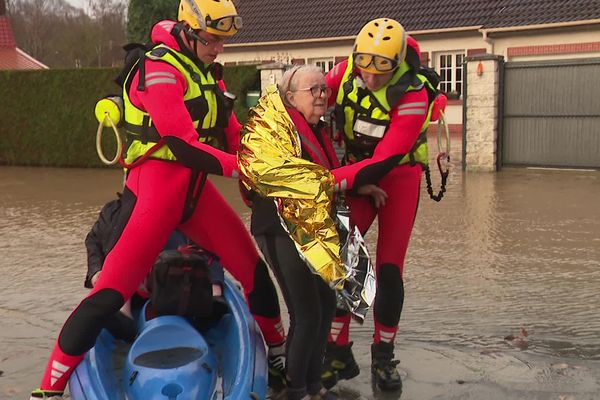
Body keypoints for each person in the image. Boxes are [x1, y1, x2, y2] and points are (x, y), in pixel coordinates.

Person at [30, 1, 285, 398]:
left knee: (254, 273)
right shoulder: (159, 68)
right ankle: (47, 389)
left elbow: (233, 132)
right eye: (212, 40)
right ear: (188, 30)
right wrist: (243, 170)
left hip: (196, 195)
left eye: (223, 41)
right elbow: (183, 145)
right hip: (155, 194)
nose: (219, 48)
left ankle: (278, 358)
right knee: (109, 295)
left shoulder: (206, 72)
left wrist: (267, 174)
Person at [238, 65, 387, 400]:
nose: (322, 95)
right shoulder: (281, 130)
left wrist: (360, 187)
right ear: (290, 98)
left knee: (322, 304)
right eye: (313, 90)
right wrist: (357, 177)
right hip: (278, 228)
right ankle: (295, 390)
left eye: (324, 89)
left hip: (310, 227)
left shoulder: (316, 128)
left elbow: (325, 172)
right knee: (305, 311)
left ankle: (313, 386)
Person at [321, 18, 443, 392]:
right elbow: (306, 110)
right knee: (336, 261)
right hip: (356, 176)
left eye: (382, 70)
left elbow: (388, 157)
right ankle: (337, 352)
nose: (371, 79)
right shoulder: (342, 74)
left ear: (398, 62)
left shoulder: (413, 93)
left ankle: (384, 354)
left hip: (396, 178)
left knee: (389, 271)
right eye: (366, 68)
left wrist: (328, 183)